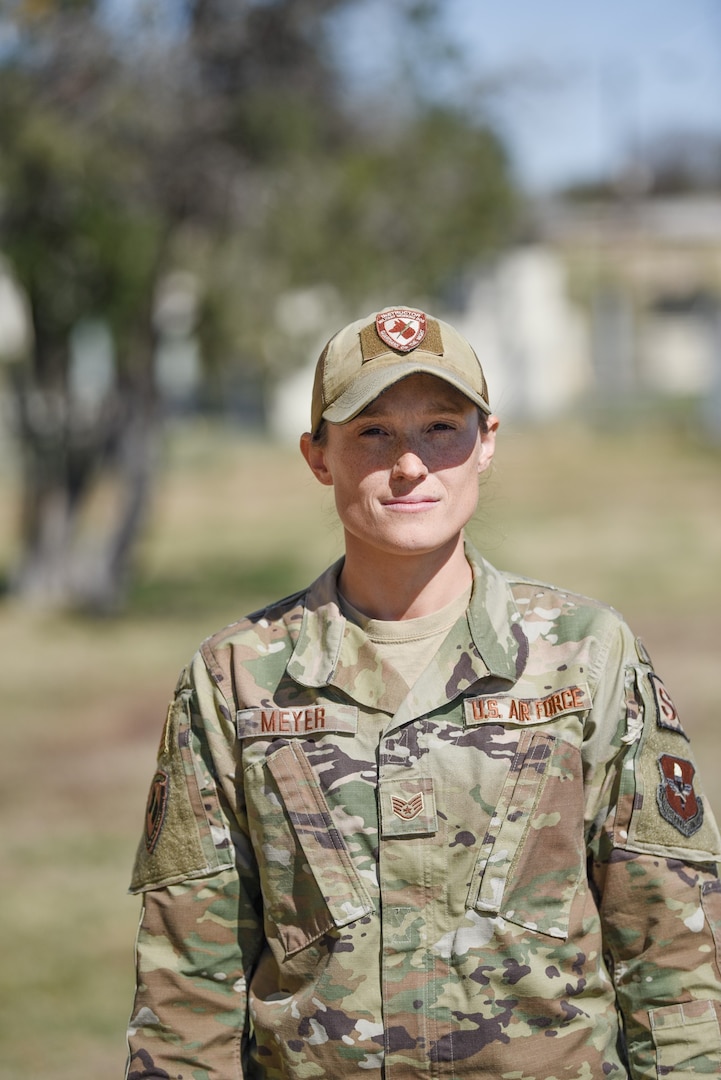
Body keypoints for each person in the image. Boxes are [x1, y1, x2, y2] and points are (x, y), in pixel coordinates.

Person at [125, 305, 721, 1080]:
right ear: (316, 455)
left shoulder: (583, 654)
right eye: (372, 433)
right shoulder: (236, 678)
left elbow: (669, 952)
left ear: (487, 444)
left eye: (442, 427)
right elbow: (186, 987)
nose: (410, 464)